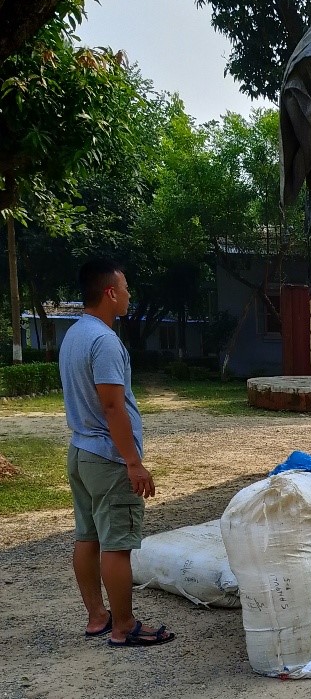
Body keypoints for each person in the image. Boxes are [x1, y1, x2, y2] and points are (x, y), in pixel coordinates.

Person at [59, 259, 175, 648]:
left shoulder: (74, 335)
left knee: (87, 537)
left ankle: (98, 618)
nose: (129, 295)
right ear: (110, 292)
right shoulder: (105, 341)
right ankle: (124, 626)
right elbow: (112, 407)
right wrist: (134, 462)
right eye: (125, 288)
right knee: (117, 543)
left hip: (80, 452)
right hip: (108, 457)